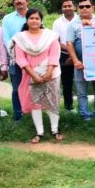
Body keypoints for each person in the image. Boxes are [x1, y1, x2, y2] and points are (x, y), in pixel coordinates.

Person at [13, 9, 63, 143]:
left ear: (41, 21)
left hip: (51, 74)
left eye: (37, 18)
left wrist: (48, 73)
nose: (34, 20)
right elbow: (20, 58)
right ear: (27, 20)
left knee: (52, 102)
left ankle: (55, 130)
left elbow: (54, 55)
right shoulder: (20, 38)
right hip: (31, 74)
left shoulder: (50, 36)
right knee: (35, 103)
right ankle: (39, 132)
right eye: (31, 18)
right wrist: (34, 75)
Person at [66, 0, 95, 121]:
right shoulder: (72, 24)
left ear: (93, 7)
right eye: (81, 6)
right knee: (81, 91)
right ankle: (85, 116)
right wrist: (75, 60)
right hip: (80, 63)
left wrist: (92, 26)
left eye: (87, 6)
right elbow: (69, 43)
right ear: (77, 9)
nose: (84, 9)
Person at [2, 0, 29, 121]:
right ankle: (18, 116)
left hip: (32, 59)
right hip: (14, 59)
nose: (19, 1)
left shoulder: (33, 16)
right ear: (13, 2)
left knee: (32, 87)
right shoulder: (7, 19)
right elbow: (6, 38)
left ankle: (31, 114)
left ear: (27, 1)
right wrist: (15, 53)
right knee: (16, 88)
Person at [52, 0, 79, 113]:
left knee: (82, 81)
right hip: (63, 56)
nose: (67, 8)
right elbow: (55, 41)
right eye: (65, 6)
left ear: (74, 7)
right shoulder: (57, 23)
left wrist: (74, 55)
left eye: (69, 6)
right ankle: (69, 107)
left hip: (80, 54)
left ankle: (84, 107)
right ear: (62, 8)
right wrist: (70, 52)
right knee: (67, 83)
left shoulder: (80, 19)